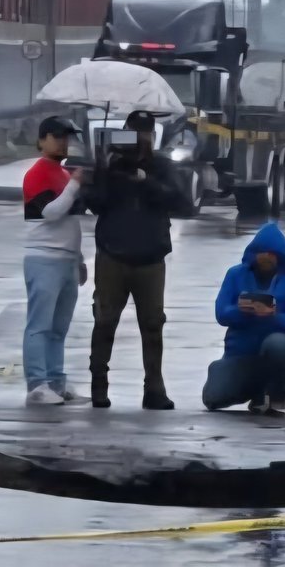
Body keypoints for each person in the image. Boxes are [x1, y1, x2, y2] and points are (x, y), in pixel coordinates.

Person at [84, 110, 178, 411]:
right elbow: (95, 204)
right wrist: (103, 170)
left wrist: (144, 180)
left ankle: (155, 388)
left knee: (152, 324)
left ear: (151, 135)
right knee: (105, 320)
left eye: (143, 132)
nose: (137, 138)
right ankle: (98, 385)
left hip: (150, 257)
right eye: (132, 131)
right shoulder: (109, 164)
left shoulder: (160, 165)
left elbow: (180, 201)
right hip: (113, 254)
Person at [202, 223, 285, 417]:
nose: (266, 257)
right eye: (261, 252)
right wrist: (242, 311)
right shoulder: (235, 275)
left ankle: (276, 395)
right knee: (213, 398)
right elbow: (221, 314)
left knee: (278, 345)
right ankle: (255, 389)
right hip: (242, 354)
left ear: (281, 256)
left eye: (272, 253)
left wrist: (274, 316)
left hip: (280, 349)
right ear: (253, 253)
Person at [21, 116, 88, 407]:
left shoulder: (61, 173)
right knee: (39, 325)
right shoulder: (37, 173)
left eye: (67, 137)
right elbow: (50, 212)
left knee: (58, 327)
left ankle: (56, 381)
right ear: (42, 140)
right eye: (58, 136)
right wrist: (74, 185)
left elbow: (71, 221)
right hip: (44, 257)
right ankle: (37, 383)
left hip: (66, 258)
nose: (64, 142)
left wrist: (79, 258)